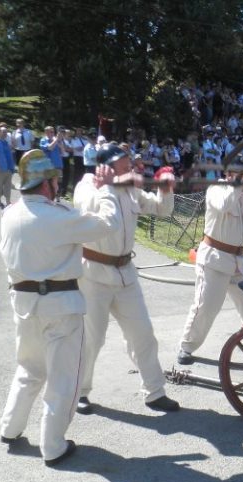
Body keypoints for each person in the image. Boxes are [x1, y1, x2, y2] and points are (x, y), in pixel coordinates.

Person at [0, 149, 121, 467]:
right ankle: (52, 446)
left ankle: (10, 428)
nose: (58, 184)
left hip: (24, 304)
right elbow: (108, 224)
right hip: (60, 306)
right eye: (54, 179)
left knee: (29, 368)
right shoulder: (57, 217)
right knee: (64, 379)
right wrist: (107, 188)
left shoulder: (11, 213)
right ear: (46, 184)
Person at [73, 146, 180, 414]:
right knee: (92, 338)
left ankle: (154, 392)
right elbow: (89, 210)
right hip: (94, 274)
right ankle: (80, 392)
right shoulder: (87, 186)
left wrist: (165, 188)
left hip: (125, 273)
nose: (128, 171)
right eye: (122, 167)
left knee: (143, 333)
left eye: (128, 166)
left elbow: (160, 210)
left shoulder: (131, 190)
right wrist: (108, 186)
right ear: (104, 168)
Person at [176, 167, 243, 365]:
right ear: (229, 175)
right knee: (206, 307)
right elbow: (225, 205)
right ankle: (186, 346)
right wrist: (240, 185)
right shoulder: (216, 189)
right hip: (215, 259)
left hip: (239, 261)